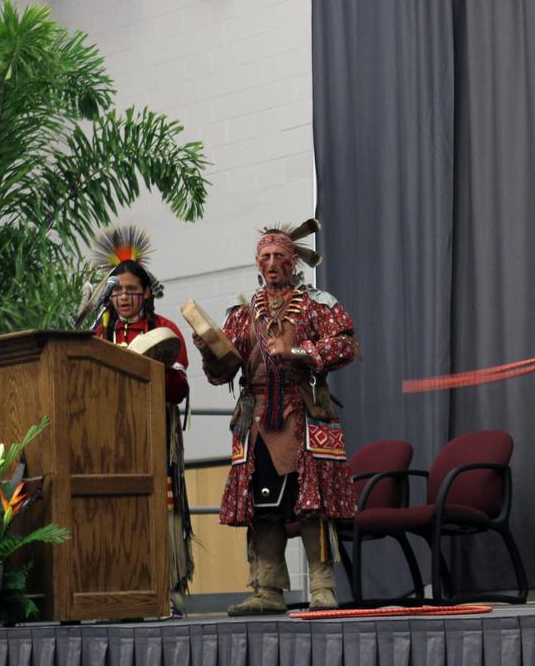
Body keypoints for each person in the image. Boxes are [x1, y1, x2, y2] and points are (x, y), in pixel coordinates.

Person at [193, 220, 359, 615]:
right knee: (262, 504)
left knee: (312, 504)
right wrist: (207, 349)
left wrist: (297, 351)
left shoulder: (319, 303)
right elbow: (222, 375)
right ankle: (267, 588)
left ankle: (322, 588)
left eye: (280, 256)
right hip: (257, 420)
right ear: (257, 262)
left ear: (293, 261)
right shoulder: (241, 313)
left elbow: (347, 345)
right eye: (265, 257)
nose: (272, 263)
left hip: (303, 412)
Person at [85, 226, 194, 616]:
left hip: (153, 430)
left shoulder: (164, 329)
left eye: (132, 290)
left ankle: (168, 591)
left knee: (161, 508)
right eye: (117, 291)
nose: (124, 298)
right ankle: (117, 589)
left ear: (147, 292)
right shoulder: (97, 331)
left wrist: (153, 368)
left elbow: (179, 389)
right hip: (106, 435)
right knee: (112, 507)